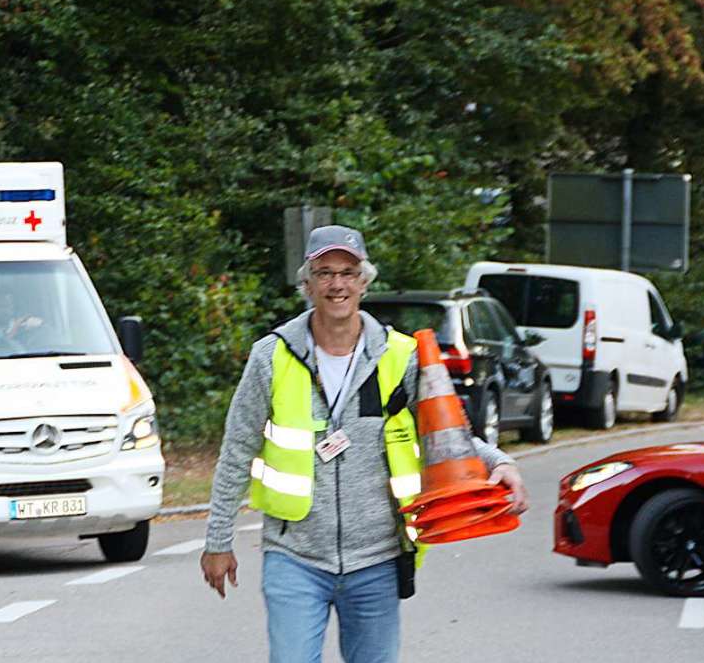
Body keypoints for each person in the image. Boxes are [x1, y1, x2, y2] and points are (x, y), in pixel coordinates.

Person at [199, 225, 528, 663]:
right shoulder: (270, 356)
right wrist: (218, 540)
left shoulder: (401, 355)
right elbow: (237, 449)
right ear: (307, 284)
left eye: (348, 272)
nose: (337, 284)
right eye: (324, 272)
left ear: (364, 281)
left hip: (376, 558)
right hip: (295, 556)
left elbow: (446, 435)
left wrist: (498, 462)